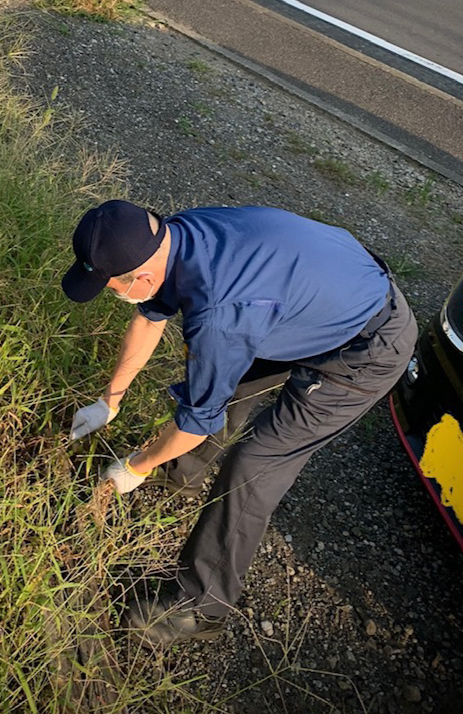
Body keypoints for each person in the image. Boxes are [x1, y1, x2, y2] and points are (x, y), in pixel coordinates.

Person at [62, 200, 417, 647]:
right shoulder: (176, 236)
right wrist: (108, 401)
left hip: (364, 347)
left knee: (254, 465)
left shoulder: (219, 314)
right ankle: (180, 475)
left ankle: (200, 608)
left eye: (111, 286)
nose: (115, 294)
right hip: (307, 295)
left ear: (143, 276)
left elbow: (196, 421)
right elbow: (150, 317)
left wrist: (135, 465)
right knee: (224, 383)